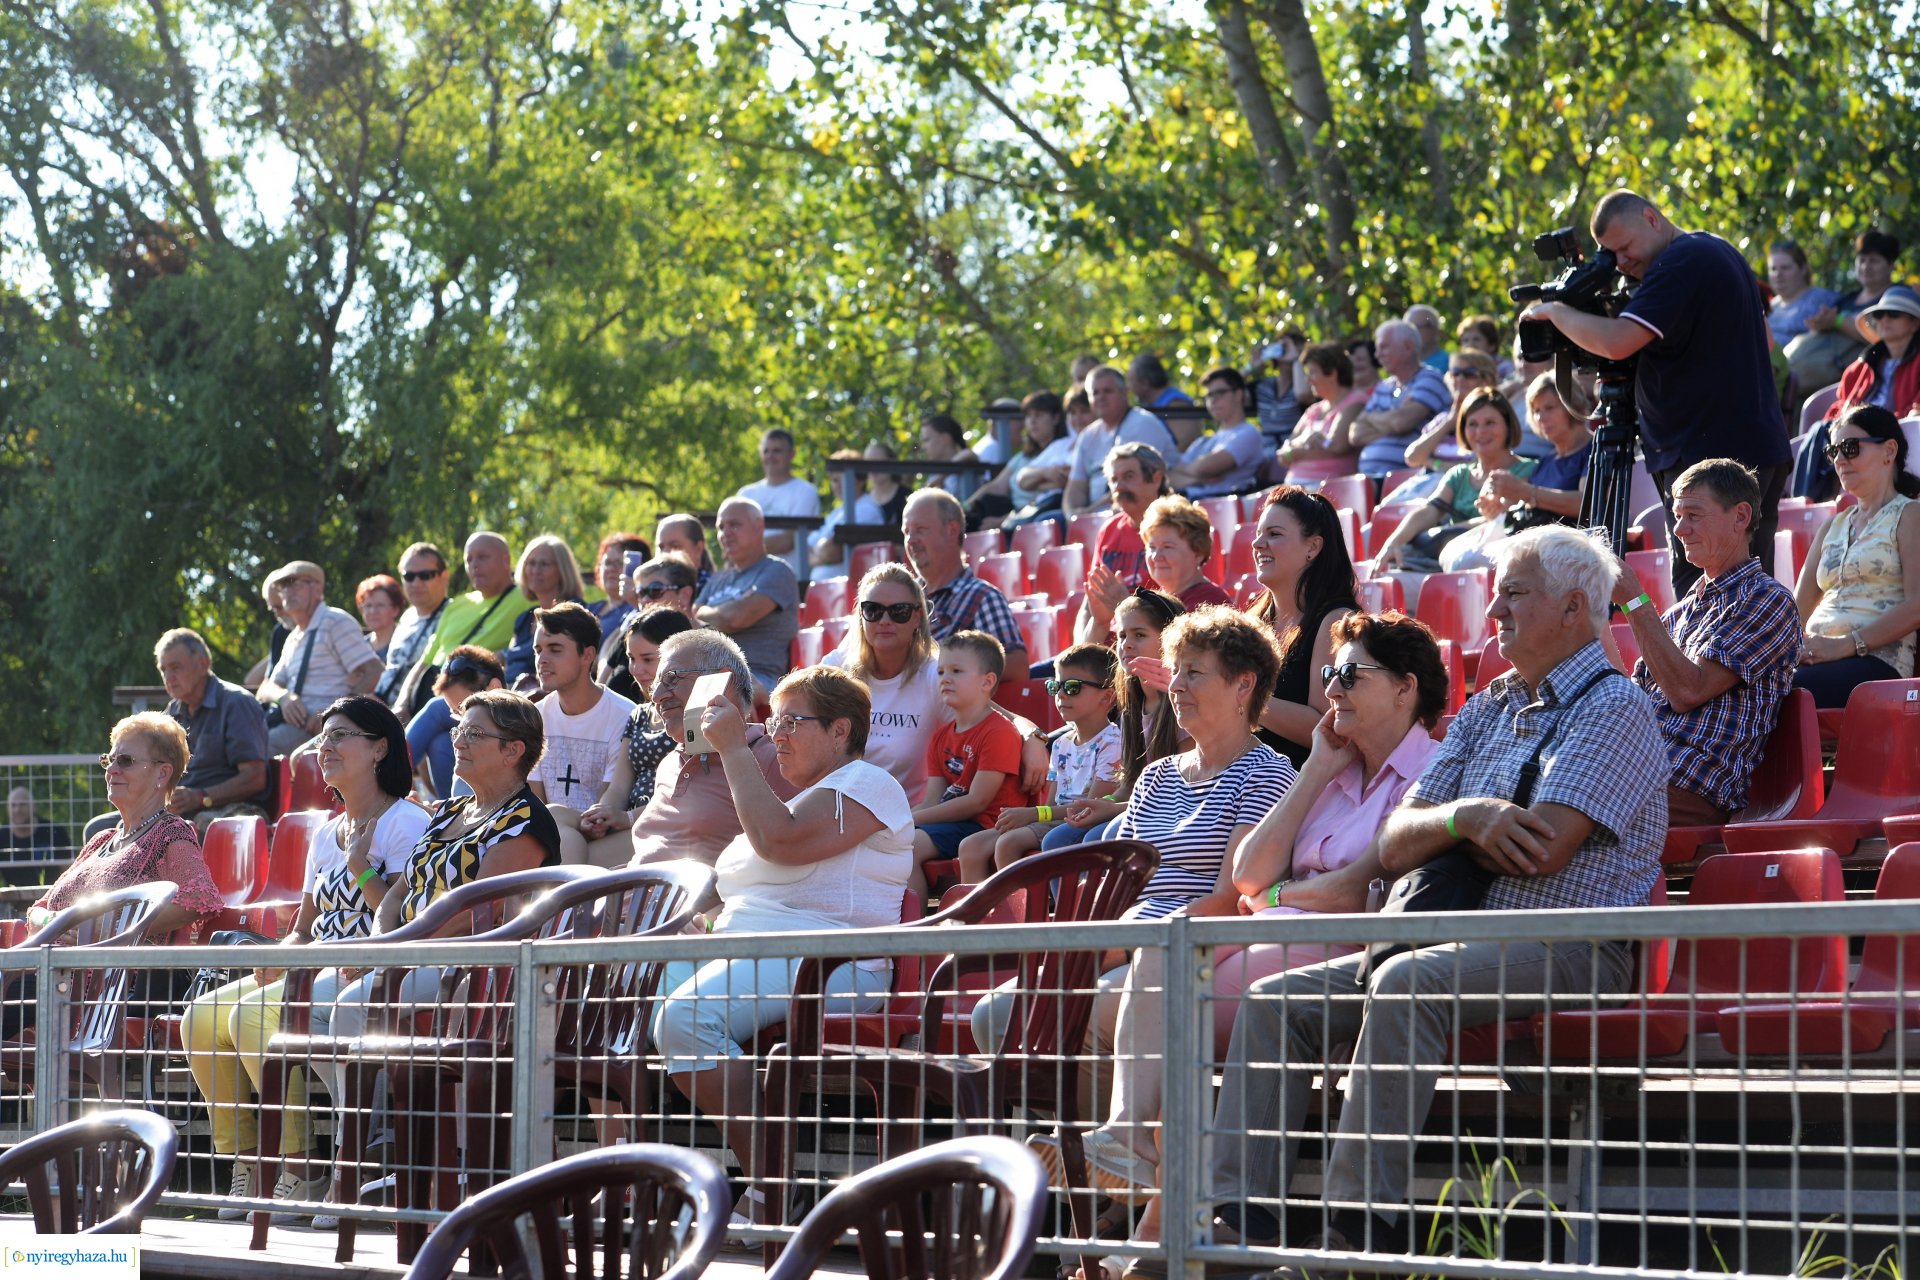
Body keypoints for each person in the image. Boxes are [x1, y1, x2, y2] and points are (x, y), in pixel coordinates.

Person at [1205, 525, 1667, 1259]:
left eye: (1514, 593)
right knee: (1275, 1002)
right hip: (1456, 935)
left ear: (1576, 608)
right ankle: (1235, 1223)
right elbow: (1395, 842)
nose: (1494, 614)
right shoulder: (1492, 706)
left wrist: (1448, 826)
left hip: (1570, 941)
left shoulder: (1615, 708)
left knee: (1404, 982)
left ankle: (1355, 1238)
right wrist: (1466, 816)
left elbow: (1542, 848)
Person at [1073, 615, 1446, 1264]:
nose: (1332, 689)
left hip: (1348, 954)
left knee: (1154, 986)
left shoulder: (1433, 773)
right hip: (1271, 941)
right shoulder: (1331, 772)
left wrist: (1277, 897)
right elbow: (1249, 872)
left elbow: (1356, 891)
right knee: (1147, 990)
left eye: (1350, 674)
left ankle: (1144, 1197)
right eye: (1329, 673)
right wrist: (1317, 768)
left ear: (1405, 688)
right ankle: (1145, 1234)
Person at [657, 666, 912, 1224]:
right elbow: (745, 893)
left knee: (687, 1018)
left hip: (834, 962)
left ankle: (773, 1189)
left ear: (841, 731)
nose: (777, 734)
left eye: (793, 721)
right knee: (622, 1009)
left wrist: (732, 751)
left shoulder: (869, 782)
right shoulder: (797, 798)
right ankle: (636, 1181)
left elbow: (780, 842)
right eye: (773, 721)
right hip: (749, 953)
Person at [181, 695, 430, 1220]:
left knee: (250, 1015)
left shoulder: (406, 822)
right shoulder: (325, 831)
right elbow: (303, 929)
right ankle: (248, 1163)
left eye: (341, 735)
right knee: (199, 1018)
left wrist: (362, 865)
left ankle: (298, 1169)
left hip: (368, 968)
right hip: (317, 965)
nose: (325, 747)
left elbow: (403, 921)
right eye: (323, 737)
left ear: (380, 747)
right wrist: (278, 957)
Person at [1519, 190, 1791, 596]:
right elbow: (1761, 341)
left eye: (1626, 248)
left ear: (1651, 218)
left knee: (1711, 599)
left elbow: (1618, 342)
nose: (1623, 263)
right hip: (1743, 448)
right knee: (1742, 595)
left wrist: (1557, 312)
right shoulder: (1716, 249)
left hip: (1713, 458)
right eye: (1612, 256)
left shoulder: (1680, 260)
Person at [1613, 460, 1801, 826]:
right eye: (1677, 515)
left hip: (1689, 785)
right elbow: (1632, 708)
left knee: (1546, 809)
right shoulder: (1677, 614)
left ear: (1741, 516)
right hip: (1637, 771)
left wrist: (1633, 599)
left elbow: (1688, 690)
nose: (1679, 529)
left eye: (1693, 515)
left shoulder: (1767, 600)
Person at [628, 629, 801, 883]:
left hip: (689, 918)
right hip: (629, 906)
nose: (656, 696)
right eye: (656, 684)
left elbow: (798, 855)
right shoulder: (669, 762)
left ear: (721, 681)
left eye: (672, 679)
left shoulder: (773, 759)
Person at [26, 713, 219, 940]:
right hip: (53, 969)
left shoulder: (169, 832)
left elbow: (200, 897)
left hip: (114, 973)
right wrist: (53, 922)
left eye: (125, 761)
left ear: (162, 773)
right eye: (109, 760)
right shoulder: (100, 840)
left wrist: (108, 929)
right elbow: (39, 908)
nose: (111, 770)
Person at [956, 643, 1122, 882]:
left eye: (1072, 687)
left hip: (1083, 822)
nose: (1061, 695)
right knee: (971, 845)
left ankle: (1025, 914)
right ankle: (975, 916)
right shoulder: (1060, 743)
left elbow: (1093, 808)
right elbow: (1052, 802)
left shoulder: (1112, 742)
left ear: (1107, 696)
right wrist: (1037, 814)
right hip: (1056, 818)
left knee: (1009, 843)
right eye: (1055, 686)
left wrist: (1033, 814)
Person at [1790, 406, 1920, 708]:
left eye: (1850, 448)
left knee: (1775, 690)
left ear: (1889, 451)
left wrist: (1846, 645)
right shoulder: (1831, 527)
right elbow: (1795, 613)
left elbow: (1916, 605)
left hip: (1878, 666)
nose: (1839, 459)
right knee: (1743, 682)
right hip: (1819, 660)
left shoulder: (1910, 515)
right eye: (1833, 450)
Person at [1043, 589, 1190, 850]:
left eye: (1140, 635)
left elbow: (1178, 793)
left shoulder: (1184, 704)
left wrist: (1112, 809)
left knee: (1099, 838)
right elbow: (1129, 784)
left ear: (1172, 642)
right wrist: (1106, 802)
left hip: (1176, 813)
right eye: (1121, 635)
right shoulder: (1132, 707)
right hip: (1138, 806)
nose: (1126, 644)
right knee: (1056, 839)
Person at [572, 607, 697, 866]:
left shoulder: (696, 713)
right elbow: (619, 786)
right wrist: (603, 814)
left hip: (668, 828)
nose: (637, 669)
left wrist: (627, 818)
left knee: (579, 861)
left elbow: (692, 793)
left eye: (648, 660)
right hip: (627, 822)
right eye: (631, 658)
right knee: (557, 820)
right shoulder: (638, 714)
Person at [1245, 488, 1358, 766]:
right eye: (1259, 534)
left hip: (1302, 787)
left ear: (1313, 547)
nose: (1258, 544)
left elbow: (1327, 728)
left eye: (1274, 534)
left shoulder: (1337, 621)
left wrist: (1241, 698)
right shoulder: (1252, 620)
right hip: (1242, 777)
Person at [1374, 387, 1537, 571]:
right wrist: (1393, 542)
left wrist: (1448, 531)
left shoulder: (1528, 469)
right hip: (1446, 561)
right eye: (1473, 424)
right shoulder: (1459, 474)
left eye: (1490, 423)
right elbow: (1430, 511)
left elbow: (1503, 520)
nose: (1481, 431)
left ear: (1508, 426)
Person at [405, 532, 521, 789]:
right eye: (469, 559)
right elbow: (425, 661)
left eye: (482, 557)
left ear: (506, 560)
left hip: (484, 692)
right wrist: (402, 703)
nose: (474, 565)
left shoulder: (526, 597)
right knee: (440, 743)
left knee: (437, 708)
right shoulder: (456, 605)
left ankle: (384, 775)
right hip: (441, 691)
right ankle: (452, 814)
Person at [910, 631, 1026, 888]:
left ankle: (917, 927)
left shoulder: (999, 731)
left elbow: (977, 802)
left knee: (910, 846)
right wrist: (898, 818)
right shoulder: (940, 737)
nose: (945, 679)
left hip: (989, 826)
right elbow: (931, 800)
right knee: (891, 839)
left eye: (956, 671)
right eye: (940, 672)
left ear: (987, 682)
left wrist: (911, 821)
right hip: (958, 824)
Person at [525, 602, 637, 863]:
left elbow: (611, 802)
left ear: (587, 656)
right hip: (551, 832)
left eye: (555, 650)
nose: (542, 659)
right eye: (538, 650)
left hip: (603, 836)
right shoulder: (535, 716)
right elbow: (536, 800)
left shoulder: (623, 714)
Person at [821, 564, 942, 797]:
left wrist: (1031, 735)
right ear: (861, 616)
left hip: (908, 819)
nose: (885, 620)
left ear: (917, 617)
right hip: (838, 809)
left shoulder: (934, 675)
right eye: (873, 610)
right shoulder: (837, 668)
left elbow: (989, 718)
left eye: (899, 611)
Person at [1792, 285, 1920, 502]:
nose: (1885, 319)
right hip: (1853, 437)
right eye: (1879, 314)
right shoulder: (1859, 367)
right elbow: (1840, 408)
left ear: (1915, 323)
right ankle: (1808, 504)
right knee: (1821, 430)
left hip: (1896, 435)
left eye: (1894, 314)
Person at [255, 561, 383, 754]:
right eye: (283, 587)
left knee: (253, 749)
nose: (287, 592)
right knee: (239, 743)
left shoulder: (334, 621)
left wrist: (335, 713)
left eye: (294, 584)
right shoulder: (294, 637)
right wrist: (284, 697)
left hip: (324, 729)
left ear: (317, 588)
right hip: (293, 726)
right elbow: (265, 688)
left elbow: (374, 670)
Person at [900, 488, 1028, 670]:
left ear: (952, 530)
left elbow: (1017, 666)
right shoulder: (902, 601)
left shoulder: (983, 597)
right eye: (906, 532)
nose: (911, 540)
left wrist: (949, 670)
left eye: (920, 529)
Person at [157, 628, 270, 830]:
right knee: (104, 828)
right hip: (187, 811)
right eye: (163, 669)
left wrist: (200, 797)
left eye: (175, 667)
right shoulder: (173, 711)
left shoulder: (236, 704)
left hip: (236, 810)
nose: (169, 676)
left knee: (190, 828)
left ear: (203, 664)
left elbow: (255, 777)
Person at [694, 497, 801, 698]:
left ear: (759, 526)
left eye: (734, 525)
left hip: (757, 677)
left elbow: (737, 618)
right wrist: (723, 612)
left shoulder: (777, 572)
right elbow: (693, 618)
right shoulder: (718, 578)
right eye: (721, 527)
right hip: (709, 672)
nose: (725, 533)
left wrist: (707, 614)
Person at [1075, 444, 1173, 646]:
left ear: (1156, 477)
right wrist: (1082, 650)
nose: (1118, 487)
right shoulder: (1109, 529)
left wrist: (1125, 605)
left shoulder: (1178, 527)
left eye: (1128, 476)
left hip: (1152, 645)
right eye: (1114, 479)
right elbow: (1089, 604)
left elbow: (1183, 605)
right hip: (1107, 644)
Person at [1064, 367, 1179, 517]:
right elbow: (1075, 487)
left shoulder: (1142, 423)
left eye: (1107, 391)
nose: (1101, 397)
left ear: (1125, 392)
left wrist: (1087, 513)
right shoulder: (1087, 435)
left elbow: (1134, 486)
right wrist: (1072, 514)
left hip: (1137, 511)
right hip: (1098, 514)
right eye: (1095, 393)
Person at [1481, 373, 1595, 525]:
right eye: (1536, 411)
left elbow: (1588, 505)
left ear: (1572, 404)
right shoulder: (1546, 462)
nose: (1541, 417)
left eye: (1549, 408)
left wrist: (1526, 492)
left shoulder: (1596, 449)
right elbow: (1528, 506)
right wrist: (1496, 508)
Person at [1348, 321, 1450, 482]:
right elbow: (1355, 434)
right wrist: (1394, 422)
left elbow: (1401, 422)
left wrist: (1371, 418)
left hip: (1408, 478)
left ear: (1408, 348)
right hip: (1368, 478)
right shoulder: (1384, 386)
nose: (1377, 355)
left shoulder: (1430, 379)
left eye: (1383, 347)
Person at [407, 646, 506, 798]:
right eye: (456, 714)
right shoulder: (463, 743)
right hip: (466, 812)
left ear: (494, 688)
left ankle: (387, 775)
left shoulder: (514, 736)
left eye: (465, 710)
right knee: (440, 743)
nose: (461, 723)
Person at [600, 553, 699, 700]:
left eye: (655, 590)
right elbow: (600, 686)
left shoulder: (707, 644)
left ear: (684, 594)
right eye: (640, 592)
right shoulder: (634, 633)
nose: (645, 599)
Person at [1396, 348, 1502, 479]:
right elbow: (1412, 458)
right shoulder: (1442, 419)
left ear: (1486, 380)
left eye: (1469, 374)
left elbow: (1478, 467)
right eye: (1456, 373)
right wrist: (1450, 423)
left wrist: (1434, 463)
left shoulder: (1492, 421)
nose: (1460, 379)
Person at [976, 391, 1076, 530]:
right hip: (1016, 517)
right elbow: (998, 486)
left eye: (1038, 415)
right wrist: (965, 506)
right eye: (1028, 416)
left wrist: (1002, 520)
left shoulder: (1065, 449)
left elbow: (1059, 486)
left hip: (1031, 519)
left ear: (1056, 418)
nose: (1032, 421)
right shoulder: (1022, 457)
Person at [502, 535, 588, 688]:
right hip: (509, 692)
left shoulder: (575, 613)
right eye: (531, 563)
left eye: (544, 564)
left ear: (562, 570)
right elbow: (509, 663)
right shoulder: (523, 619)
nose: (535, 570)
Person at [737, 428, 822, 581]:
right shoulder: (745, 494)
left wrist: (742, 549)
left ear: (792, 454)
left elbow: (788, 540)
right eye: (766, 451)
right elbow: (732, 536)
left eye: (777, 451)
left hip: (787, 580)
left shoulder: (805, 491)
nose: (770, 456)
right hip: (746, 578)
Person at [1274, 343, 1367, 484]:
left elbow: (1337, 446)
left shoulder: (1355, 402)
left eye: (1312, 372)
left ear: (1332, 373)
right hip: (1294, 489)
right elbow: (1282, 454)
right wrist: (1305, 442)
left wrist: (1294, 452)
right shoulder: (1314, 410)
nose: (1307, 380)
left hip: (1329, 490)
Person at [1170, 367, 1267, 498]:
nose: (1213, 400)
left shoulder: (1248, 433)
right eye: (1209, 395)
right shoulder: (1203, 441)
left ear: (1238, 394)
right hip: (1190, 503)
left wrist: (1186, 471)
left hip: (1221, 506)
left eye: (1220, 393)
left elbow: (1205, 468)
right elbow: (1170, 475)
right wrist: (1196, 479)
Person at [1768, 239, 1850, 393]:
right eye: (1773, 269)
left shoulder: (1823, 300)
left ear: (1803, 269)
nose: (1778, 275)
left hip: (1795, 377)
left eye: (1785, 268)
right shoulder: (1770, 307)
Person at [375, 542, 450, 707]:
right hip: (382, 705)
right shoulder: (407, 616)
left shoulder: (453, 614)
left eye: (425, 575)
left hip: (417, 709)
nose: (416, 582)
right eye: (409, 576)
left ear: (444, 577)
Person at [1140, 495, 1232, 610]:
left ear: (1198, 552)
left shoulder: (1209, 604)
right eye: (1152, 547)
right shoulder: (1158, 601)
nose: (1156, 556)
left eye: (1167, 547)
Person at [809, 448, 889, 576]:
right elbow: (808, 552)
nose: (837, 485)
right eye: (834, 480)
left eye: (842, 479)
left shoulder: (867, 509)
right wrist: (823, 556)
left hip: (849, 591)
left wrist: (819, 556)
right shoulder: (835, 513)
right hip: (824, 590)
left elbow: (833, 551)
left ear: (861, 480)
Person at [1836, 229, 1901, 346]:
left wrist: (1838, 322)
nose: (1866, 267)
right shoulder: (1845, 300)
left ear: (1891, 266)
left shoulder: (1898, 299)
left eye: (1874, 261)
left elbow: (1886, 339)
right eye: (1862, 260)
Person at [587, 531, 651, 647]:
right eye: (607, 562)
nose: (611, 568)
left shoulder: (639, 610)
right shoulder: (590, 609)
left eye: (620, 563)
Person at [1245, 326, 1309, 439]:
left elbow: (1303, 395)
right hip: (1265, 452)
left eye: (1297, 350)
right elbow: (1230, 390)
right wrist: (1250, 367)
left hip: (1294, 451)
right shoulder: (1263, 387)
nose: (1292, 353)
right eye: (1285, 348)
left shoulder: (1308, 384)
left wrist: (1295, 361)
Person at [919, 412, 982, 502]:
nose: (924, 447)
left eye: (927, 440)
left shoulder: (966, 460)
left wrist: (941, 476)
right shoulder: (934, 471)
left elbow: (969, 454)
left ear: (945, 438)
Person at [654, 513, 716, 596]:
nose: (665, 554)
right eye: (661, 547)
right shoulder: (652, 588)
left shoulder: (713, 591)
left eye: (675, 546)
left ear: (698, 548)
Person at [354, 575, 405, 662]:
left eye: (380, 605)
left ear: (395, 609)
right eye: (368, 606)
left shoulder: (406, 643)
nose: (373, 611)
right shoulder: (359, 648)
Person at [1, 788, 61, 857]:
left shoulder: (54, 831)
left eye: (22, 804)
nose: (17, 810)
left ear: (33, 806)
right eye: (13, 805)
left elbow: (70, 865)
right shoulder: (2, 836)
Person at [1404, 304, 1448, 371]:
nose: (1409, 334)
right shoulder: (1402, 365)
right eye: (1406, 329)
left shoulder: (1451, 366)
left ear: (1436, 331)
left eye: (1415, 328)